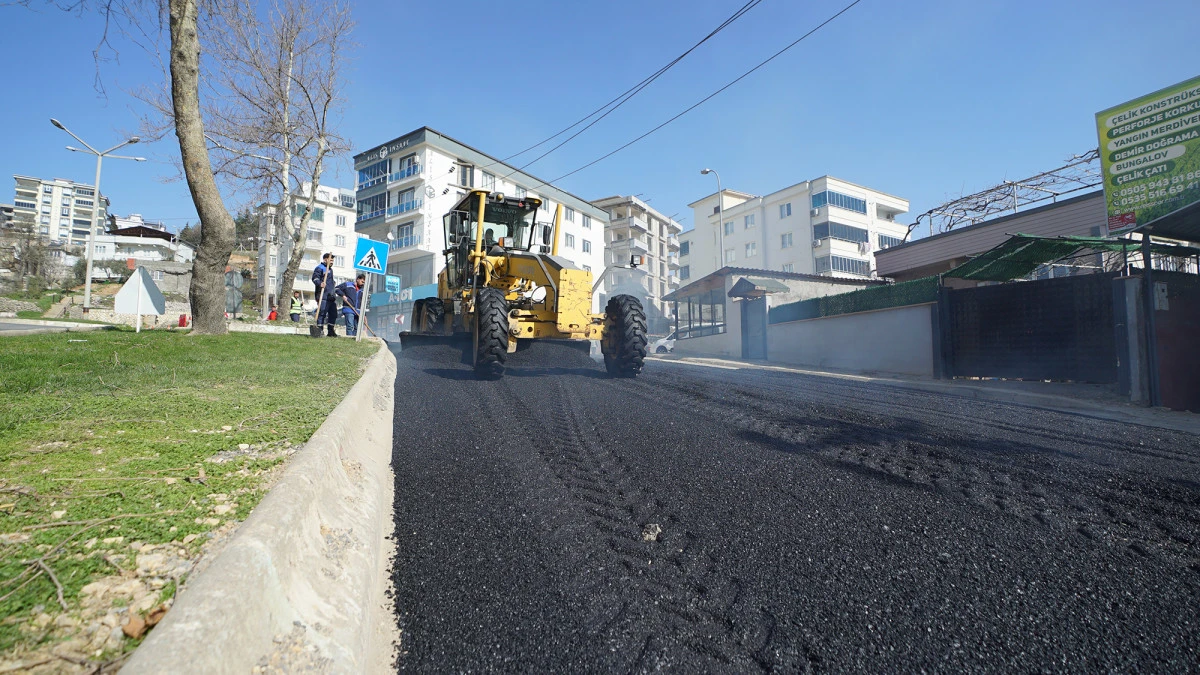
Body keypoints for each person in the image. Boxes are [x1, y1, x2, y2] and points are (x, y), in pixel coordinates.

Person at [311, 252, 337, 337]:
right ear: (325, 259)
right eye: (331, 260)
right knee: (322, 313)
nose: (332, 262)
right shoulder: (320, 268)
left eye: (333, 260)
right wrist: (320, 283)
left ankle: (331, 331)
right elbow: (315, 278)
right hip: (323, 295)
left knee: (333, 314)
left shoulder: (330, 270)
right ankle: (320, 330)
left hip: (331, 296)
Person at [335, 273, 367, 338]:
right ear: (358, 279)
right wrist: (343, 295)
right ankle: (349, 339)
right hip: (349, 309)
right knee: (350, 326)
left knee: (357, 327)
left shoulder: (362, 290)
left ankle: (354, 340)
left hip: (358, 311)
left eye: (364, 282)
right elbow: (336, 289)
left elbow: (363, 302)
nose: (363, 284)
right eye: (362, 281)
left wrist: (364, 313)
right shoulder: (348, 285)